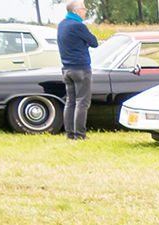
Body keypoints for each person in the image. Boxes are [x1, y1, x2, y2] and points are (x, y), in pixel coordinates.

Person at [57, 0, 98, 140]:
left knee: (70, 102)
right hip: (80, 68)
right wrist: (85, 43)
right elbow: (94, 42)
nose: (85, 11)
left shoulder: (62, 25)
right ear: (75, 11)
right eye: (83, 9)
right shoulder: (78, 26)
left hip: (66, 68)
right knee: (82, 102)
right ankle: (80, 134)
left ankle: (70, 134)